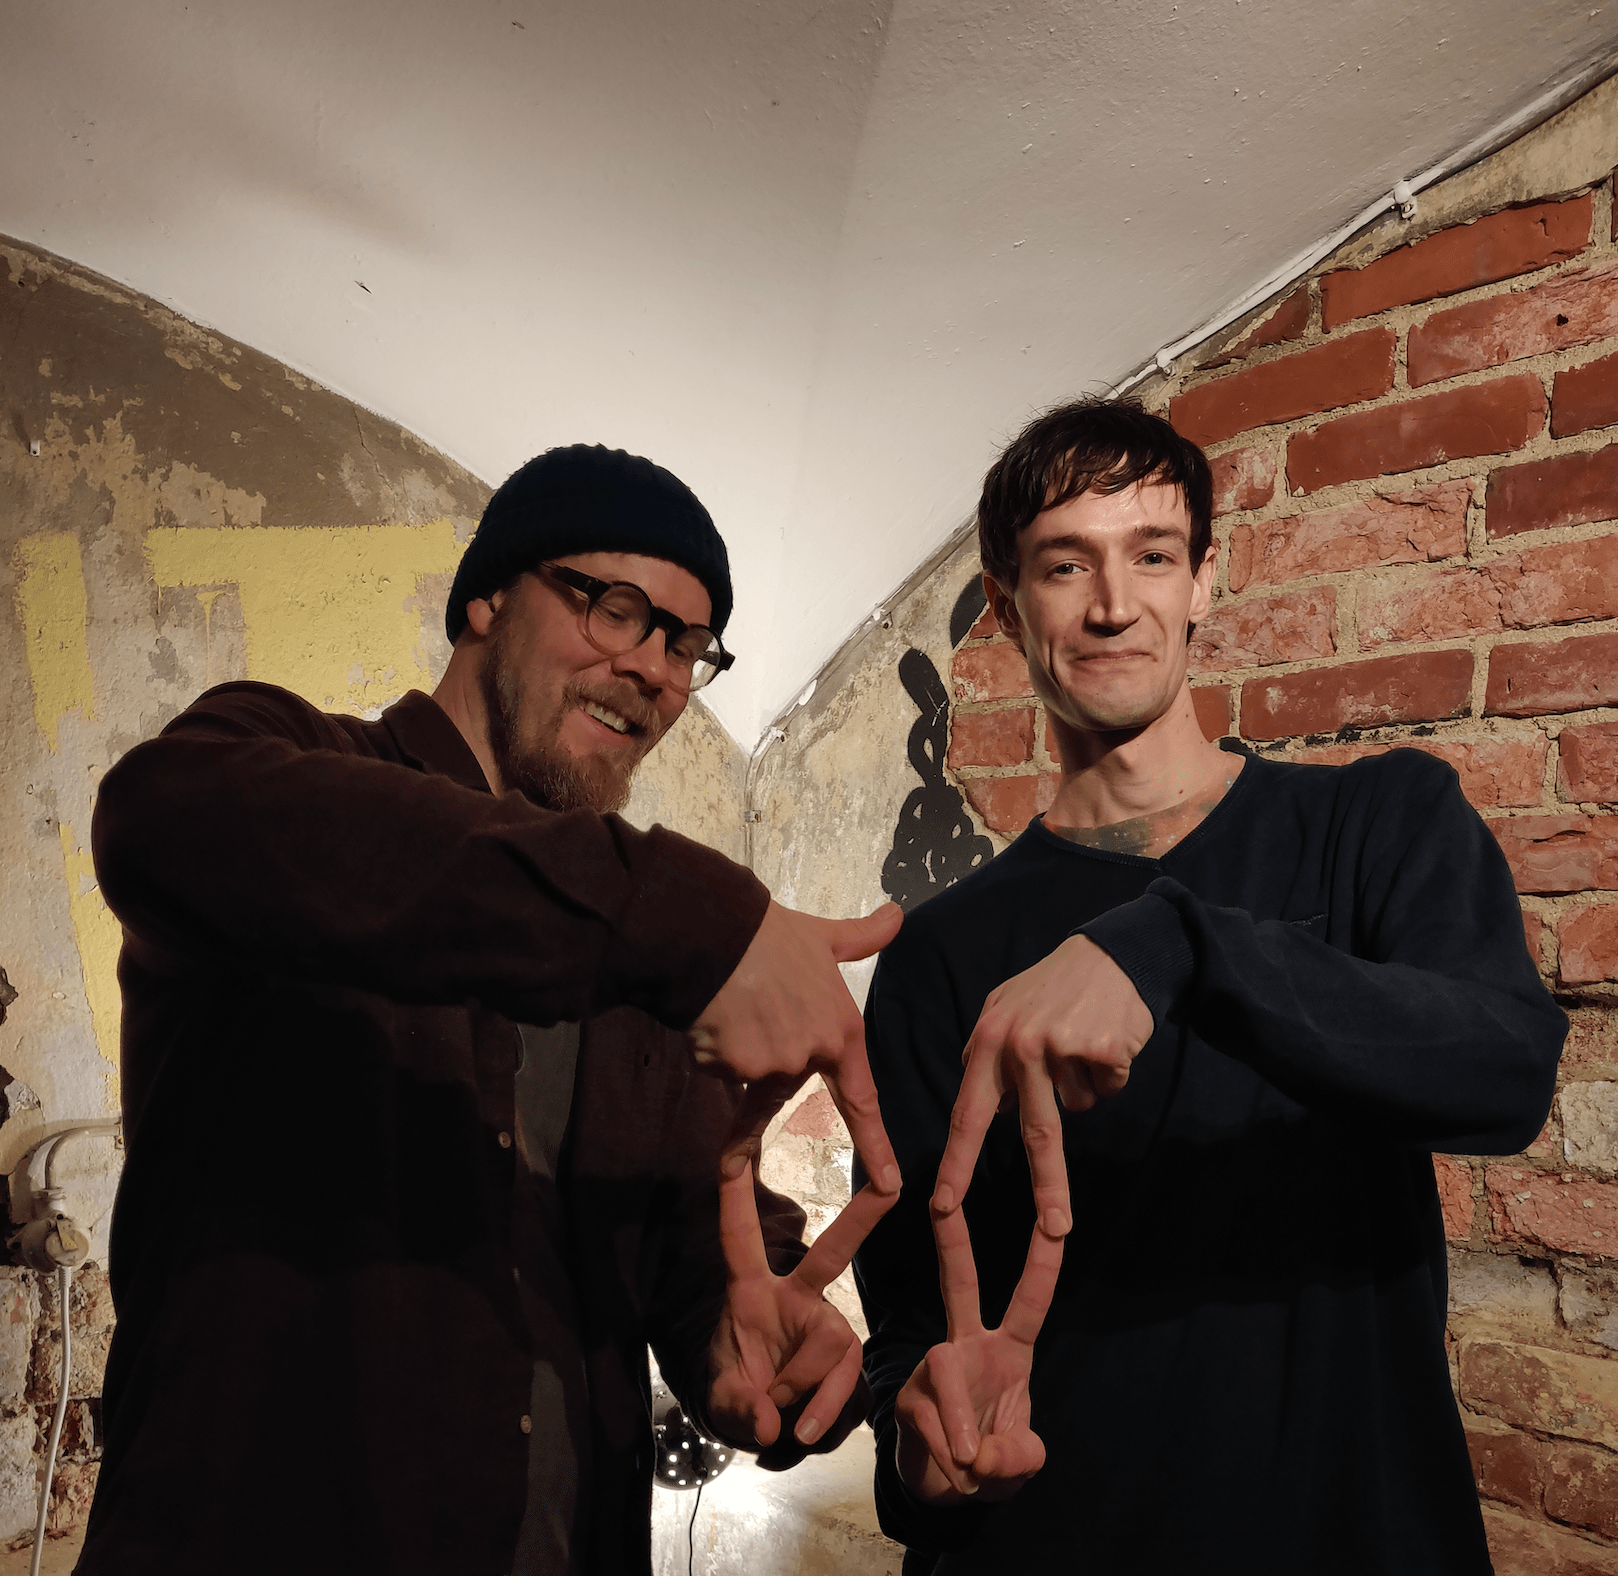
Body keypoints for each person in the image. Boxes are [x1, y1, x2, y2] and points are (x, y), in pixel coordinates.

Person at [82, 445, 901, 1576]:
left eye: (686, 645)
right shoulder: (290, 760)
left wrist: (745, 1346)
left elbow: (685, 1244)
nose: (655, 669)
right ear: (487, 600)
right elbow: (156, 816)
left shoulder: (646, 960)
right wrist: (675, 908)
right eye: (618, 609)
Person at [853, 398, 1566, 1574]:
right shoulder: (941, 953)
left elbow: (1504, 1067)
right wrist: (921, 1456)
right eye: (1064, 564)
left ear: (1203, 581)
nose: (1112, 604)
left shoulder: (1377, 823)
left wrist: (1180, 945)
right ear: (1004, 604)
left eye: (1151, 555)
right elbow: (912, 1325)